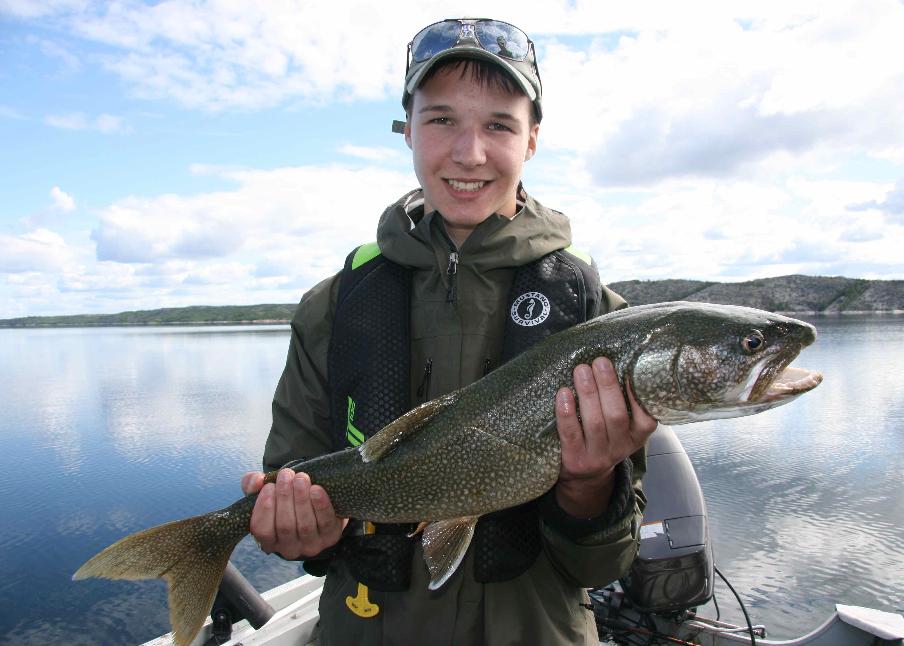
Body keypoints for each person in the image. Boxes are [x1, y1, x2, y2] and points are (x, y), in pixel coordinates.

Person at [241, 18, 657, 645]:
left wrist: (593, 485)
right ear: (407, 128)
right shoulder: (333, 308)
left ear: (532, 140)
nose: (469, 152)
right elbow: (296, 504)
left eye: (498, 124)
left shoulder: (599, 320)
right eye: (440, 120)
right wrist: (299, 529)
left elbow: (602, 567)